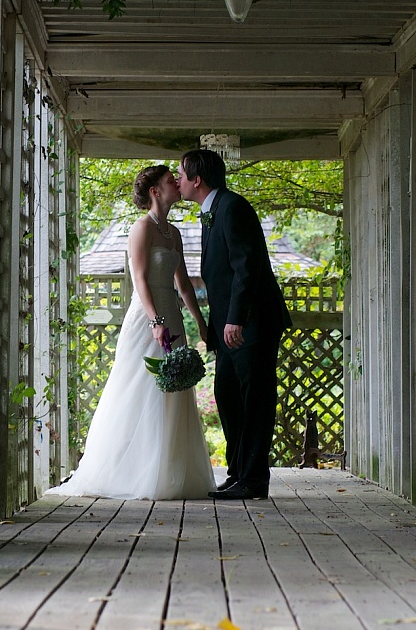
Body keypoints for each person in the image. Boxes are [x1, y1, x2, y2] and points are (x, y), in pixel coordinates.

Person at [47, 165, 215, 500]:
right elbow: (139, 280)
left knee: (174, 390)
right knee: (141, 389)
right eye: (171, 181)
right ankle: (131, 472)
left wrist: (199, 321)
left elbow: (182, 283)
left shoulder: (174, 233)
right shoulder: (141, 229)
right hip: (147, 317)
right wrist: (156, 321)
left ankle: (170, 472)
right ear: (155, 190)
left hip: (173, 316)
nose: (177, 185)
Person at [176, 149, 292, 500]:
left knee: (255, 399)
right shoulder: (212, 211)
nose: (177, 180)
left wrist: (235, 320)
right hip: (229, 327)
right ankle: (239, 471)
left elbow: (247, 268)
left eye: (181, 174)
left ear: (198, 179)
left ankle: (254, 480)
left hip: (251, 323)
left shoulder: (232, 207)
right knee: (227, 395)